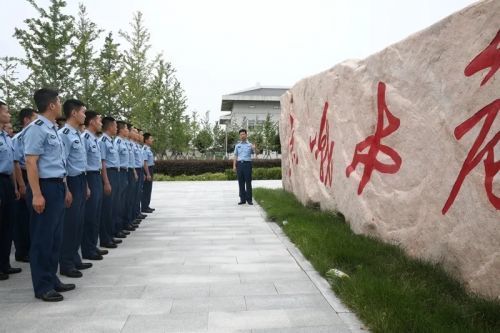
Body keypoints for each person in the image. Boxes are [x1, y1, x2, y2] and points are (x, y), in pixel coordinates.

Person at [23, 88, 75, 302]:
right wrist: (36, 194)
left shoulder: (53, 129)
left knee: (55, 238)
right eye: (59, 101)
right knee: (42, 239)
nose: (61, 104)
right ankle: (42, 286)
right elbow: (31, 162)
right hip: (44, 188)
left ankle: (52, 279)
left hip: (57, 186)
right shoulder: (37, 129)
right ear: (52, 105)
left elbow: (58, 163)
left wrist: (66, 188)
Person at [58, 99, 92, 278]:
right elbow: (62, 162)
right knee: (70, 224)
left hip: (80, 179)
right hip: (70, 181)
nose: (84, 115)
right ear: (73, 113)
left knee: (78, 223)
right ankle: (66, 263)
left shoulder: (78, 133)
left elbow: (81, 163)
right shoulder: (64, 133)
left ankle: (74, 257)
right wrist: (66, 188)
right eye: (83, 112)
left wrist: (85, 185)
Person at [81, 111, 108, 260]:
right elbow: (82, 162)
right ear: (92, 122)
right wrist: (86, 184)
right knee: (90, 215)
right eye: (99, 121)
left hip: (96, 175)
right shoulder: (84, 138)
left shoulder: (95, 139)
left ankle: (93, 246)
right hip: (88, 176)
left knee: (96, 213)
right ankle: (87, 249)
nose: (101, 124)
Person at [12, 108, 38, 263]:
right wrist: (21, 184)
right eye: (35, 118)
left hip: (32, 175)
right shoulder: (19, 138)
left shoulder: (34, 134)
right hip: (23, 175)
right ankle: (22, 251)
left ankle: (30, 248)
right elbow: (16, 162)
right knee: (22, 217)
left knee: (31, 216)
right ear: (27, 120)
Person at [0, 99, 21, 281]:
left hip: (7, 181)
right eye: (6, 111)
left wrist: (16, 186)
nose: (9, 114)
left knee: (8, 224)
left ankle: (5, 263)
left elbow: (13, 164)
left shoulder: (7, 137)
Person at [98, 116, 121, 249]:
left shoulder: (110, 141)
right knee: (107, 208)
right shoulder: (102, 141)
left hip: (115, 173)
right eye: (115, 126)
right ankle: (105, 238)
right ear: (110, 127)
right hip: (109, 174)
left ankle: (110, 235)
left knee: (113, 206)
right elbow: (103, 162)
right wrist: (106, 181)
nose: (116, 128)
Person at [115, 121, 131, 237]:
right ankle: (116, 228)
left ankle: (121, 226)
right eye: (126, 128)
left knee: (123, 201)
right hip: (118, 173)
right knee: (118, 202)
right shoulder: (117, 142)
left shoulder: (124, 142)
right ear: (121, 130)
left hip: (125, 171)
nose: (128, 131)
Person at [232, 129, 256, 205]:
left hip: (247, 164)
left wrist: (254, 148)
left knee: (248, 182)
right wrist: (234, 166)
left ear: (246, 135)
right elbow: (235, 156)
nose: (242, 136)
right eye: (241, 134)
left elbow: (256, 153)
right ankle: (242, 199)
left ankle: (249, 199)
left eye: (243, 134)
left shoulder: (250, 145)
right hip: (239, 165)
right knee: (241, 182)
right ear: (239, 136)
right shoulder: (237, 146)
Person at [141, 133, 155, 213]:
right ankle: (144, 207)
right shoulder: (145, 149)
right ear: (146, 140)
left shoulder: (148, 149)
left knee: (149, 189)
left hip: (150, 168)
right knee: (146, 189)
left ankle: (147, 205)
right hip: (147, 170)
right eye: (150, 138)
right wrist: (148, 174)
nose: (152, 140)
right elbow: (145, 162)